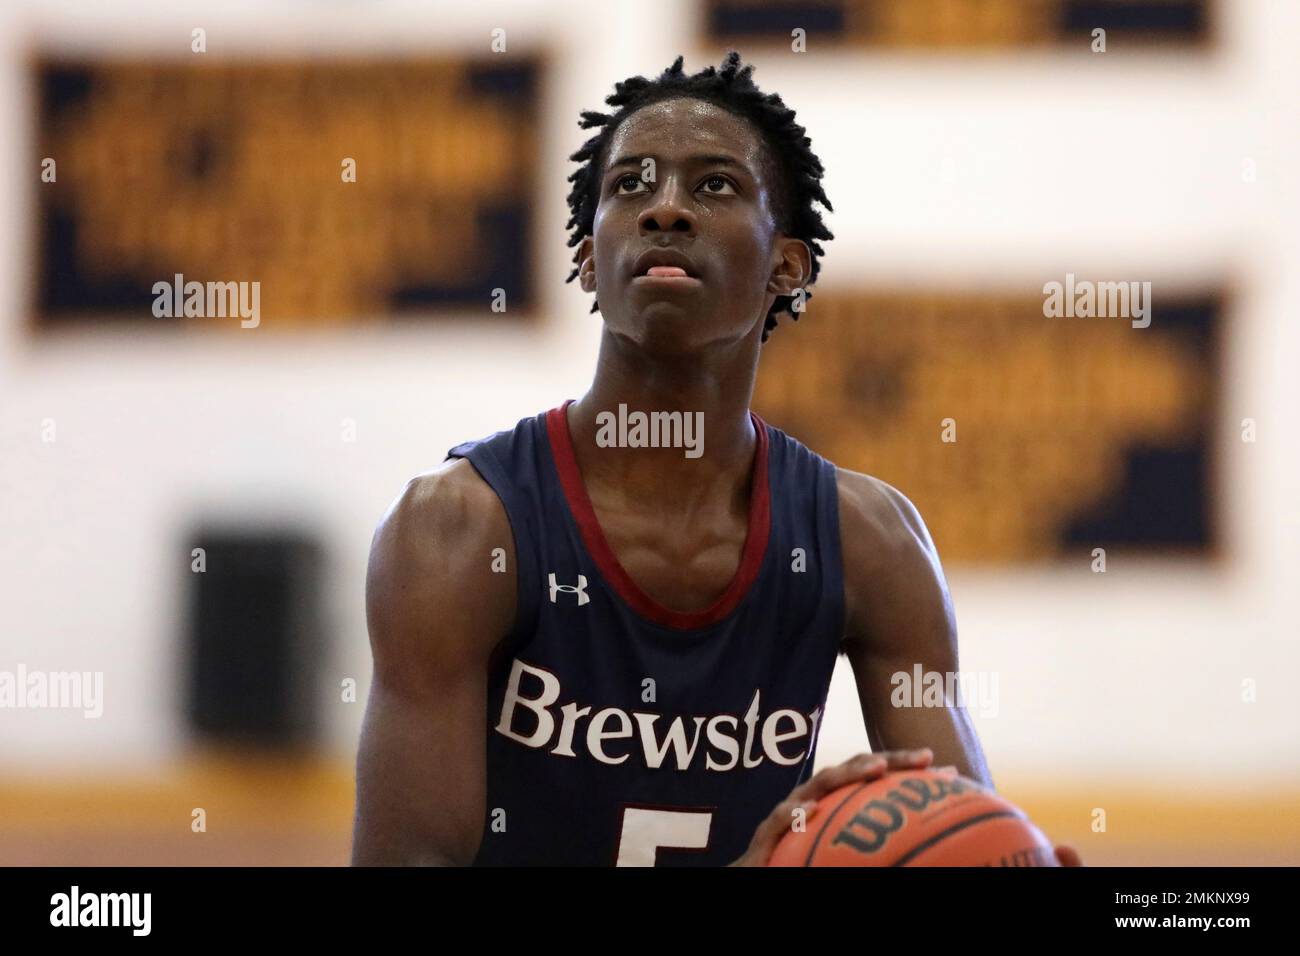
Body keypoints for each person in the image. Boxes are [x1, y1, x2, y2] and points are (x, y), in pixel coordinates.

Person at [352, 51, 1080, 867]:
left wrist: (1018, 859)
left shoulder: (870, 541)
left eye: (714, 185)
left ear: (787, 265)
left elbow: (960, 837)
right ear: (590, 261)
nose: (664, 210)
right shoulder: (456, 529)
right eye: (630, 185)